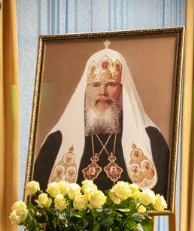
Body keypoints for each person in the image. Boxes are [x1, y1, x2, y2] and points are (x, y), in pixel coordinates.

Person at [33, 47, 170, 194]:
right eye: (95, 85)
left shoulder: (150, 138)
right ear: (85, 91)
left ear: (122, 91)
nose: (102, 92)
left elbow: (163, 196)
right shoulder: (57, 140)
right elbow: (38, 197)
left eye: (111, 85)